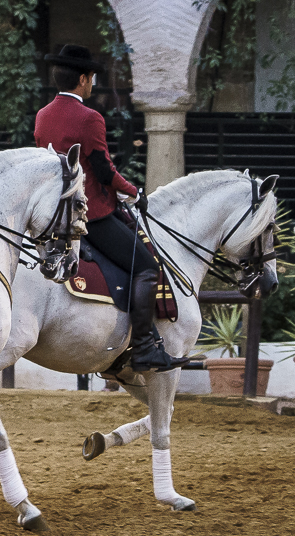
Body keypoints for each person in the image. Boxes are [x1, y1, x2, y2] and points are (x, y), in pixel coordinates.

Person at [33, 44, 186, 372]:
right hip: (91, 214)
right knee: (146, 267)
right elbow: (102, 171)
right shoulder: (89, 117)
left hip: (51, 213)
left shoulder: (43, 115)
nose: (93, 84)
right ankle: (144, 345)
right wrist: (133, 192)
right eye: (92, 79)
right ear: (84, 79)